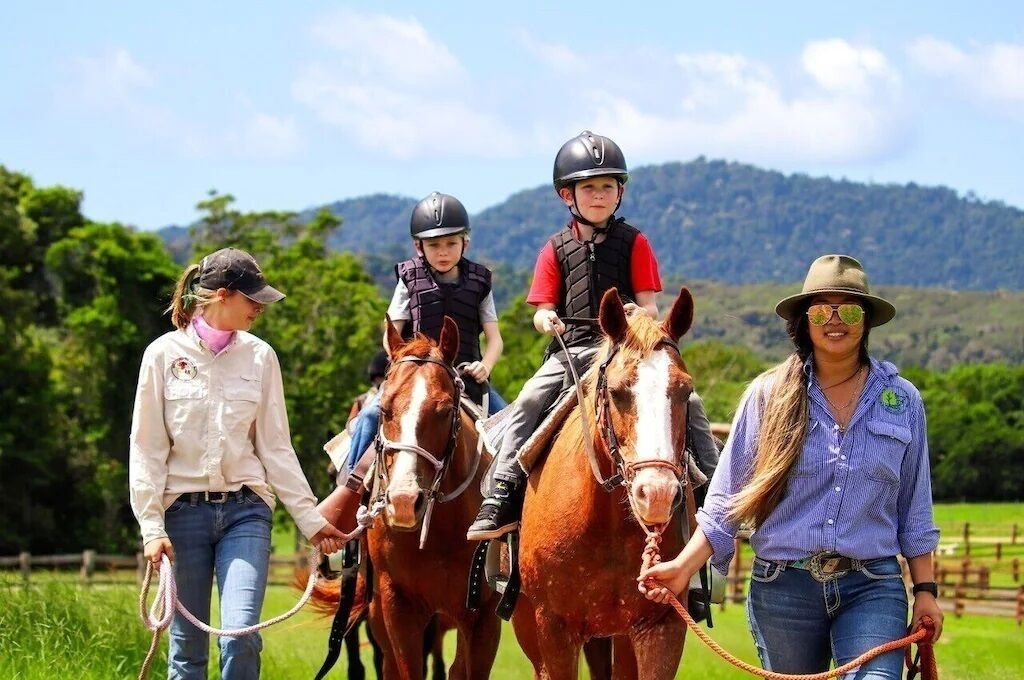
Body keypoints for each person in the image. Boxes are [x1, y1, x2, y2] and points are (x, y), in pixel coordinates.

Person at [639, 254, 943, 678]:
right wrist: (681, 568)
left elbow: (915, 506)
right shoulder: (768, 396)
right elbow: (726, 501)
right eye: (822, 309)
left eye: (849, 309)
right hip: (783, 590)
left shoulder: (903, 401)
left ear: (867, 320)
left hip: (871, 586)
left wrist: (925, 591)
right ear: (804, 319)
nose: (835, 320)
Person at [467, 130, 720, 540]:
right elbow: (543, 309)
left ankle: (711, 490)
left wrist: (639, 314)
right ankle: (503, 490)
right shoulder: (555, 248)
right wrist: (547, 320)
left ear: (619, 192)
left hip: (626, 350)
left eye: (607, 187)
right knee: (530, 398)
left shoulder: (635, 242)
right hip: (571, 351)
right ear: (568, 195)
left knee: (689, 400)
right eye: (589, 188)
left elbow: (650, 305)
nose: (598, 196)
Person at [129, 247, 345, 679]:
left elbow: (276, 447)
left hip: (246, 512)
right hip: (181, 515)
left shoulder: (261, 357)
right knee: (187, 649)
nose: (259, 309)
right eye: (253, 300)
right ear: (222, 296)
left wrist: (310, 519)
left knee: (240, 633)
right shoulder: (162, 355)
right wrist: (152, 528)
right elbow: (147, 446)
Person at [343, 192, 506, 472]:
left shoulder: (480, 281)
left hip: (466, 375)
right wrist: (403, 363)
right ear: (419, 247)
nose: (443, 252)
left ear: (465, 243)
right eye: (434, 245)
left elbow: (495, 339)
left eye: (451, 243)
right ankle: (351, 487)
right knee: (370, 416)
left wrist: (486, 366)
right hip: (416, 371)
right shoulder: (408, 279)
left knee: (510, 423)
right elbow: (390, 333)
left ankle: (510, 499)